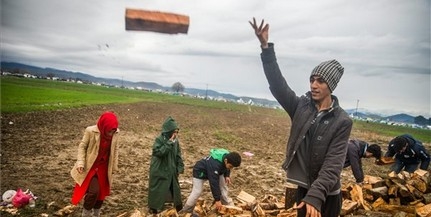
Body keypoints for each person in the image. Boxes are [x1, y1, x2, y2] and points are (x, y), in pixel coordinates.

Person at [249, 18, 353, 217]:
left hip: (327, 195)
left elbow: (333, 166)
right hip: (304, 188)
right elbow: (278, 85)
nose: (313, 84)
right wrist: (265, 48)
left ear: (330, 86)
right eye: (312, 79)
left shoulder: (342, 121)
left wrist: (315, 196)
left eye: (320, 81)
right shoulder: (301, 107)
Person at [70, 111, 120, 217]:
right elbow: (82, 146)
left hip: (104, 168)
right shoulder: (90, 131)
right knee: (94, 192)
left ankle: (97, 213)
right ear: (104, 127)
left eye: (113, 131)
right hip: (90, 167)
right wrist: (80, 163)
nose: (111, 134)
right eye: (109, 131)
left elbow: (115, 150)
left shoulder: (116, 133)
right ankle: (86, 213)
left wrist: (114, 167)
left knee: (102, 193)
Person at [180, 148, 242, 214]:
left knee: (224, 188)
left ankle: (228, 207)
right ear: (226, 161)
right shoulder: (215, 164)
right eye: (230, 166)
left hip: (218, 171)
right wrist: (217, 200)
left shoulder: (228, 156)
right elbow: (214, 183)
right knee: (197, 191)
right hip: (200, 172)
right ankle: (186, 211)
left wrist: (227, 175)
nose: (231, 168)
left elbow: (227, 167)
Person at [148, 116, 184, 215]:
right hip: (160, 169)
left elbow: (178, 154)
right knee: (158, 189)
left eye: (177, 132)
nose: (176, 134)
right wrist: (169, 143)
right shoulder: (159, 139)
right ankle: (154, 207)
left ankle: (178, 207)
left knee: (174, 188)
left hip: (172, 169)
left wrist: (180, 167)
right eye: (174, 132)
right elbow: (158, 152)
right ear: (169, 131)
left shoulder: (175, 141)